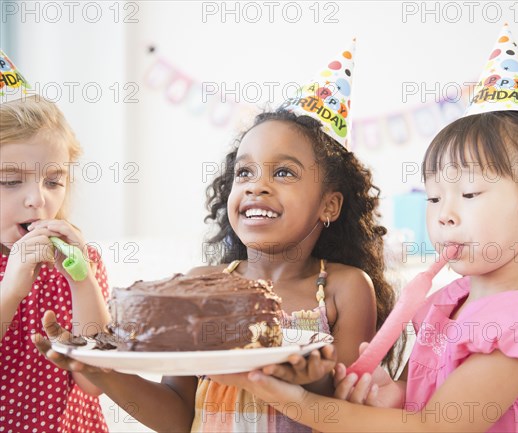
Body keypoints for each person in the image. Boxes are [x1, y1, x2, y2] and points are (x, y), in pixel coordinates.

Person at [218, 24, 518, 433]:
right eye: (434, 198)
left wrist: (295, 401)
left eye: (470, 194)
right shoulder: (449, 303)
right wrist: (394, 395)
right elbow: (425, 399)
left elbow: (435, 427)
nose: (444, 215)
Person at [34, 43, 398, 432]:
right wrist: (101, 370)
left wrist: (308, 379)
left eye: (284, 173)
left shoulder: (345, 288)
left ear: (330, 205)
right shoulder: (204, 287)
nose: (257, 186)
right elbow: (177, 416)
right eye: (245, 173)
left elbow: (344, 413)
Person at [0, 50, 111, 433]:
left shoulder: (84, 259)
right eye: (10, 181)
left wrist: (83, 280)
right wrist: (11, 291)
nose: (38, 199)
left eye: (53, 181)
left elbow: (94, 382)